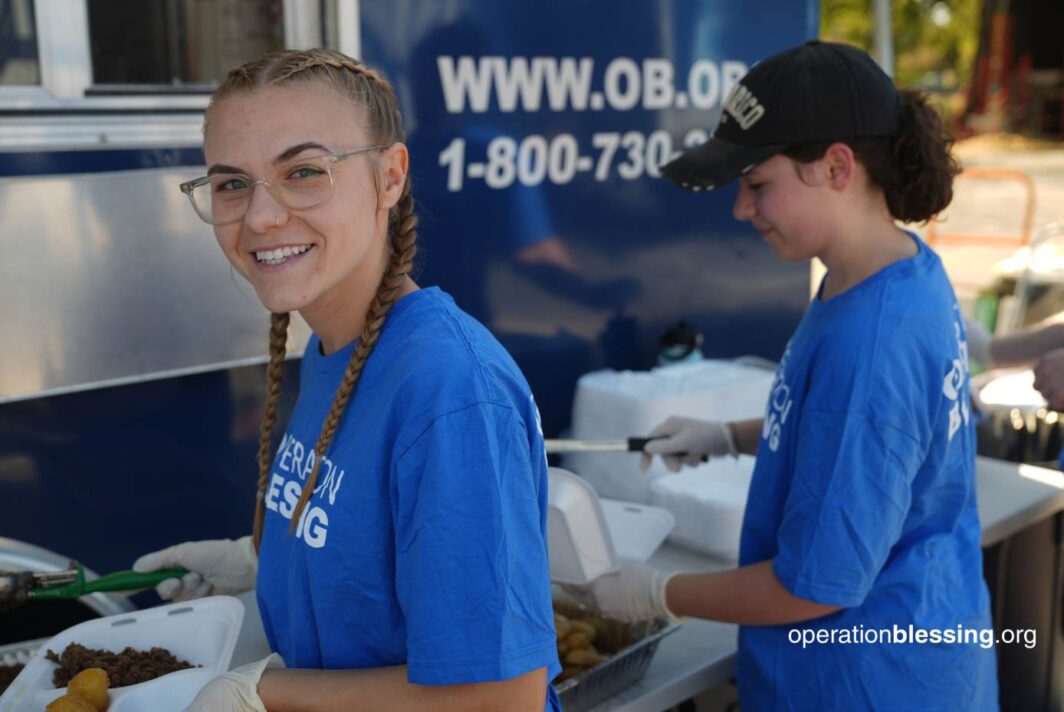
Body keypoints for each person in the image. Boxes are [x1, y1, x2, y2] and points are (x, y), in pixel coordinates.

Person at [132, 48, 560, 711]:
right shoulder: (334, 350)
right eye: (230, 183)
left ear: (390, 177)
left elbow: (502, 697)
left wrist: (264, 692)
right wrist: (264, 559)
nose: (261, 217)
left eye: (303, 172)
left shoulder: (447, 390)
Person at [591, 41, 999, 709]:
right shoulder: (894, 271)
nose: (741, 210)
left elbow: (813, 587)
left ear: (837, 166)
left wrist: (658, 592)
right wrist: (729, 434)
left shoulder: (869, 347)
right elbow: (863, 435)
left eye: (757, 185)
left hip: (863, 678)